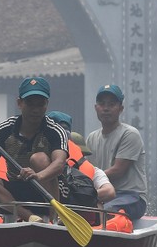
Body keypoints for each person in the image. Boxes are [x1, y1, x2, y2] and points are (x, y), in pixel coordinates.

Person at [0, 77, 68, 222]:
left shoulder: (54, 130)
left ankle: (54, 219)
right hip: (15, 193)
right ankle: (29, 217)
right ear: (20, 103)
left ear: (46, 105)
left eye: (40, 105)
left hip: (48, 190)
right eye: (30, 104)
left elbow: (59, 164)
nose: (35, 110)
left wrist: (38, 176)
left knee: (38, 158)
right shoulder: (5, 129)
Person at [86, 84, 148, 221]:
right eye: (102, 104)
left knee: (107, 210)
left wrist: (86, 184)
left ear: (121, 109)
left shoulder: (130, 134)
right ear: (96, 108)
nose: (106, 108)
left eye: (112, 104)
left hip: (131, 196)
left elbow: (118, 171)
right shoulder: (92, 138)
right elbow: (88, 171)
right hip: (103, 194)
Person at [46, 111, 116, 205]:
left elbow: (109, 192)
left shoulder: (92, 170)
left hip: (73, 218)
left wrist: (80, 196)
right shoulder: (38, 162)